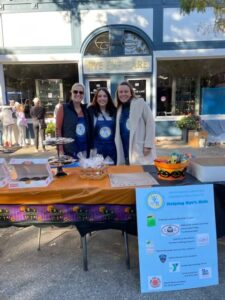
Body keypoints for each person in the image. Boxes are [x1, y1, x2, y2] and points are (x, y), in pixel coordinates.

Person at [115, 81, 156, 165]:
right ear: (117, 94)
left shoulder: (141, 104)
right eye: (121, 92)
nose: (123, 94)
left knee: (141, 173)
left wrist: (148, 145)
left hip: (138, 146)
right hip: (124, 145)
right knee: (128, 173)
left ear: (131, 93)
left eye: (126, 91)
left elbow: (150, 124)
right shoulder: (118, 108)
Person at [56, 83, 92, 158]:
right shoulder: (63, 108)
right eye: (75, 92)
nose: (78, 94)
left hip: (84, 151)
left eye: (81, 92)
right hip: (69, 151)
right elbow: (58, 130)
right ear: (71, 93)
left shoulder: (86, 110)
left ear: (83, 95)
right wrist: (61, 150)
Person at [88, 87, 117, 164]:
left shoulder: (115, 112)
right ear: (96, 98)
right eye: (99, 96)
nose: (102, 98)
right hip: (96, 150)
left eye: (105, 96)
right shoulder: (90, 112)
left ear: (108, 98)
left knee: (112, 173)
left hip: (112, 150)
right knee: (97, 173)